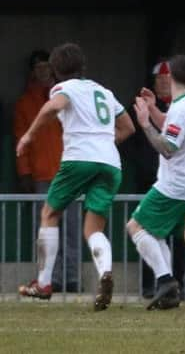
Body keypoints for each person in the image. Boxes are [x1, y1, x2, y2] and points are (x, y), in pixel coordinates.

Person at [17, 43, 135, 310]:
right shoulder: (103, 92)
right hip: (110, 163)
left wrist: (28, 136)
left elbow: (51, 108)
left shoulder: (63, 89)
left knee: (49, 213)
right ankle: (104, 272)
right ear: (83, 67)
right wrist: (103, 142)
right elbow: (127, 127)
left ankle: (44, 283)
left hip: (78, 158)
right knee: (93, 228)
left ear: (56, 71)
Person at [127, 55, 185, 310]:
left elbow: (168, 147)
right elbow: (172, 127)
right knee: (155, 233)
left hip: (174, 184)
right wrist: (153, 109)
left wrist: (144, 123)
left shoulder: (182, 109)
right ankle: (168, 286)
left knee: (135, 226)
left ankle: (166, 280)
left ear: (169, 78)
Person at [14, 50, 80, 293]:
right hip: (42, 176)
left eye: (46, 67)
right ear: (32, 71)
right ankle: (48, 279)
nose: (42, 71)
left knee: (72, 230)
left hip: (69, 171)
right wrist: (25, 173)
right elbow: (21, 139)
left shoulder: (66, 96)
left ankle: (71, 279)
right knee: (45, 231)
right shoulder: (24, 103)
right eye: (38, 67)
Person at [123, 60, 185, 299]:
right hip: (152, 178)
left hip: (177, 181)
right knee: (147, 230)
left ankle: (174, 282)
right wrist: (145, 164)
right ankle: (156, 283)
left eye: (167, 79)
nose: (163, 84)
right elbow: (130, 140)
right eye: (159, 80)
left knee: (178, 236)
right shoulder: (143, 106)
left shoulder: (184, 107)